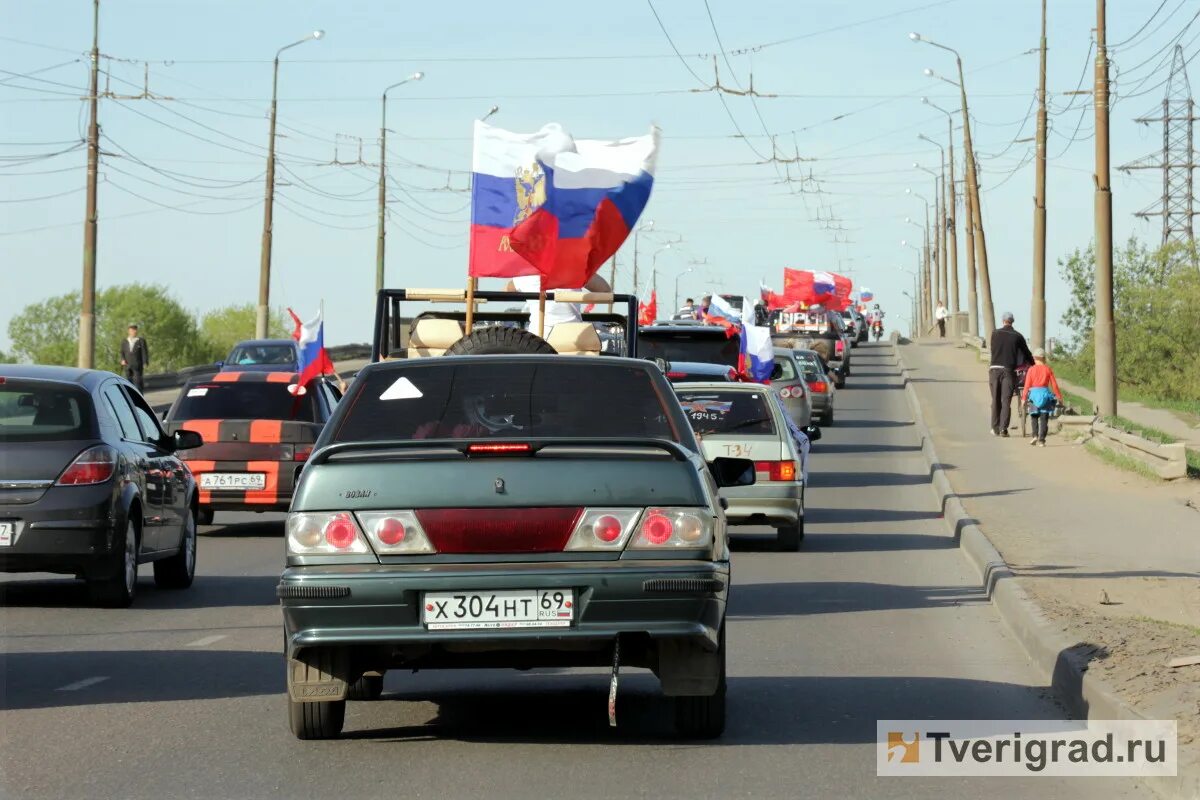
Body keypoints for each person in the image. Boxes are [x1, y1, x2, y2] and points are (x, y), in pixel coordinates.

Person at [506, 273, 611, 337]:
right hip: (573, 338)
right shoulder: (576, 267)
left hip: (538, 339)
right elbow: (606, 291)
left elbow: (505, 292)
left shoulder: (526, 273)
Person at [988, 311, 1034, 438]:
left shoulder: (995, 333)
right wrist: (1034, 365)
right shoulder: (1018, 336)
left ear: (1003, 321)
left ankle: (995, 428)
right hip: (1008, 371)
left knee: (995, 400)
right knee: (1005, 400)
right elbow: (1026, 353)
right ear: (1012, 321)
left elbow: (993, 349)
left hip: (994, 369)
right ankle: (1003, 429)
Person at [1021, 347, 1063, 447]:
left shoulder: (1031, 370)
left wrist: (1023, 398)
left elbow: (1027, 385)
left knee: (1034, 417)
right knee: (1044, 418)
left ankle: (1035, 435)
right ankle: (1042, 440)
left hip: (1034, 396)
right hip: (1045, 395)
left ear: (1034, 358)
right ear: (1044, 358)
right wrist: (1059, 397)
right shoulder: (1048, 369)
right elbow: (1054, 385)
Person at [119, 324, 149, 392]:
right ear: (129, 331)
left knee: (138, 383)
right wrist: (122, 360)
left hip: (137, 365)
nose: (134, 331)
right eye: (132, 330)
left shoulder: (140, 340)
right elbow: (122, 352)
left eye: (135, 330)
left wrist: (145, 362)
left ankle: (139, 398)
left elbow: (144, 352)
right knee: (128, 383)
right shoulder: (125, 341)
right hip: (127, 365)